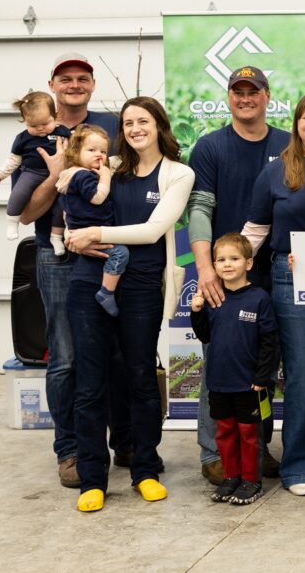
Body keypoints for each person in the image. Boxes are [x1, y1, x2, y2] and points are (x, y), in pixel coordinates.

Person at [65, 96, 195, 512]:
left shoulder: (179, 173)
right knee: (90, 382)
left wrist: (96, 235)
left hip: (140, 286)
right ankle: (92, 478)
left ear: (159, 124)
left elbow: (156, 229)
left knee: (140, 376)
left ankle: (145, 470)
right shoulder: (110, 169)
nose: (136, 128)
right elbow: (70, 194)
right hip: (89, 282)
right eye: (128, 123)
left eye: (143, 120)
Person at [18, 53, 124, 488]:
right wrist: (56, 174)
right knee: (65, 358)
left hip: (107, 249)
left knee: (115, 352)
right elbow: (27, 213)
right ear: (53, 84)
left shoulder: (113, 127)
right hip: (58, 255)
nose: (75, 84)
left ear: (93, 85)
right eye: (66, 79)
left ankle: (125, 441)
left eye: (82, 78)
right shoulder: (35, 134)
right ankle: (71, 450)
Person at [188, 65, 290, 485]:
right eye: (238, 91)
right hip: (226, 278)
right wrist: (207, 269)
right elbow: (199, 210)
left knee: (262, 368)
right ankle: (214, 452)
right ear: (229, 97)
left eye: (254, 90)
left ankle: (258, 446)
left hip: (274, 276)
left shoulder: (288, 144)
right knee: (221, 363)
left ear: (268, 96)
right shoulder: (211, 147)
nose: (245, 97)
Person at [243, 92, 305, 496]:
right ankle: (302, 463)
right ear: (296, 123)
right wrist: (225, 270)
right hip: (291, 280)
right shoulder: (276, 172)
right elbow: (255, 232)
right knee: (303, 373)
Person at [189, 233, 278, 506]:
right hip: (219, 382)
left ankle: (251, 481)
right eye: (221, 260)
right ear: (214, 265)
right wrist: (196, 312)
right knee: (224, 433)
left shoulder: (259, 299)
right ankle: (231, 477)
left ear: (248, 264)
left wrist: (263, 377)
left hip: (249, 385)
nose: (227, 265)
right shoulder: (213, 298)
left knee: (250, 436)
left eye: (234, 259)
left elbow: (269, 341)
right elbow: (205, 336)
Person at [55, 125, 129, 317]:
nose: (99, 155)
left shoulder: (74, 174)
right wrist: (106, 177)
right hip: (88, 230)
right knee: (120, 253)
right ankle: (106, 292)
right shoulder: (82, 175)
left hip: (83, 229)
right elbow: (97, 198)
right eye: (91, 150)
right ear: (75, 152)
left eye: (103, 151)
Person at [0, 91, 71, 252]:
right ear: (25, 122)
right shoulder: (23, 138)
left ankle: (56, 238)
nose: (40, 129)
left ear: (55, 117)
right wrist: (0, 173)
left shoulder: (62, 132)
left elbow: (74, 148)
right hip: (32, 172)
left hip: (62, 175)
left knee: (61, 207)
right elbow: (14, 159)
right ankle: (12, 223)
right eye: (33, 126)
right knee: (19, 193)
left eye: (45, 123)